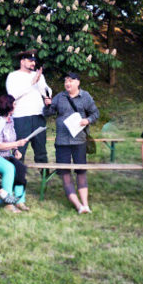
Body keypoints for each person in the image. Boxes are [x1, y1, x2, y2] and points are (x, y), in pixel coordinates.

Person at [43, 72, 98, 214]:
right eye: (66, 81)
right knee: (65, 173)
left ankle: (86, 204)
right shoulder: (59, 97)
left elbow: (95, 113)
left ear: (78, 82)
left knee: (81, 172)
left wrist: (87, 120)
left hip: (79, 140)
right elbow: (48, 113)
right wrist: (47, 105)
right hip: (62, 141)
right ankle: (79, 206)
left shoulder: (85, 96)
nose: (68, 83)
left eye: (71, 81)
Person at [5, 49, 51, 163]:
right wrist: (32, 83)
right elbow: (12, 96)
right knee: (19, 151)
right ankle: (17, 178)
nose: (33, 63)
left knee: (41, 150)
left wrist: (46, 94)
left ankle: (44, 178)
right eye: (30, 61)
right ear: (22, 61)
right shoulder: (13, 76)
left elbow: (47, 90)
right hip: (21, 117)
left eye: (34, 61)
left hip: (38, 116)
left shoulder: (38, 75)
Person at [0, 95, 29, 212]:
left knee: (21, 168)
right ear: (8, 106)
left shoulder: (10, 120)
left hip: (7, 155)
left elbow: (10, 141)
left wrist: (15, 150)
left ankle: (20, 201)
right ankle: (8, 204)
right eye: (14, 104)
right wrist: (17, 143)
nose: (15, 106)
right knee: (9, 168)